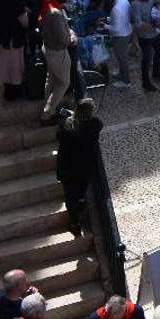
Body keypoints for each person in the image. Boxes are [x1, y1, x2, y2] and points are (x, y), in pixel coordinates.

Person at [55, 99, 103, 235]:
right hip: (86, 166)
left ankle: (74, 223)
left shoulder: (67, 126)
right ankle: (81, 202)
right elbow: (94, 124)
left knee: (70, 196)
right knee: (82, 188)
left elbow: (59, 136)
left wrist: (70, 116)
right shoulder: (95, 124)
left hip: (68, 167)